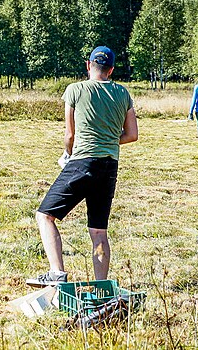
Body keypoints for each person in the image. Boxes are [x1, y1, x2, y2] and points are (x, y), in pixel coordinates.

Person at [26, 46, 138, 287]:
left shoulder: (75, 90)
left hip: (82, 162)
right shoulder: (123, 94)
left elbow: (69, 134)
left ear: (89, 65)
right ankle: (101, 286)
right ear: (111, 69)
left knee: (45, 216)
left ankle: (56, 273)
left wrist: (67, 153)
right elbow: (132, 134)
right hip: (109, 166)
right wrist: (107, 139)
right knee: (98, 231)